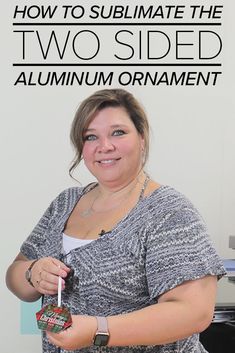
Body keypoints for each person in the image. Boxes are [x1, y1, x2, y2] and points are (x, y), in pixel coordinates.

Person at [6, 88, 225, 353]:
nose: (104, 146)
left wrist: (98, 330)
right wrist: (33, 273)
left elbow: (194, 312)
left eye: (118, 132)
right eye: (90, 137)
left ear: (142, 138)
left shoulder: (169, 212)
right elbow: (15, 276)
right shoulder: (65, 202)